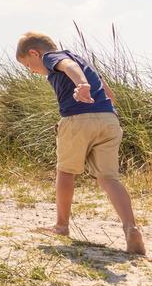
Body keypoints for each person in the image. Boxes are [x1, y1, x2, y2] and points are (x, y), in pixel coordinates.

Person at [15, 32, 145, 255]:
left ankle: (61, 226)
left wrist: (82, 85)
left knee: (66, 172)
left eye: (28, 64)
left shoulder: (52, 57)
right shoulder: (81, 60)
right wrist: (106, 110)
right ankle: (130, 227)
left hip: (77, 119)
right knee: (108, 178)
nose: (32, 70)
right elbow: (106, 90)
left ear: (35, 53)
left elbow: (67, 67)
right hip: (108, 119)